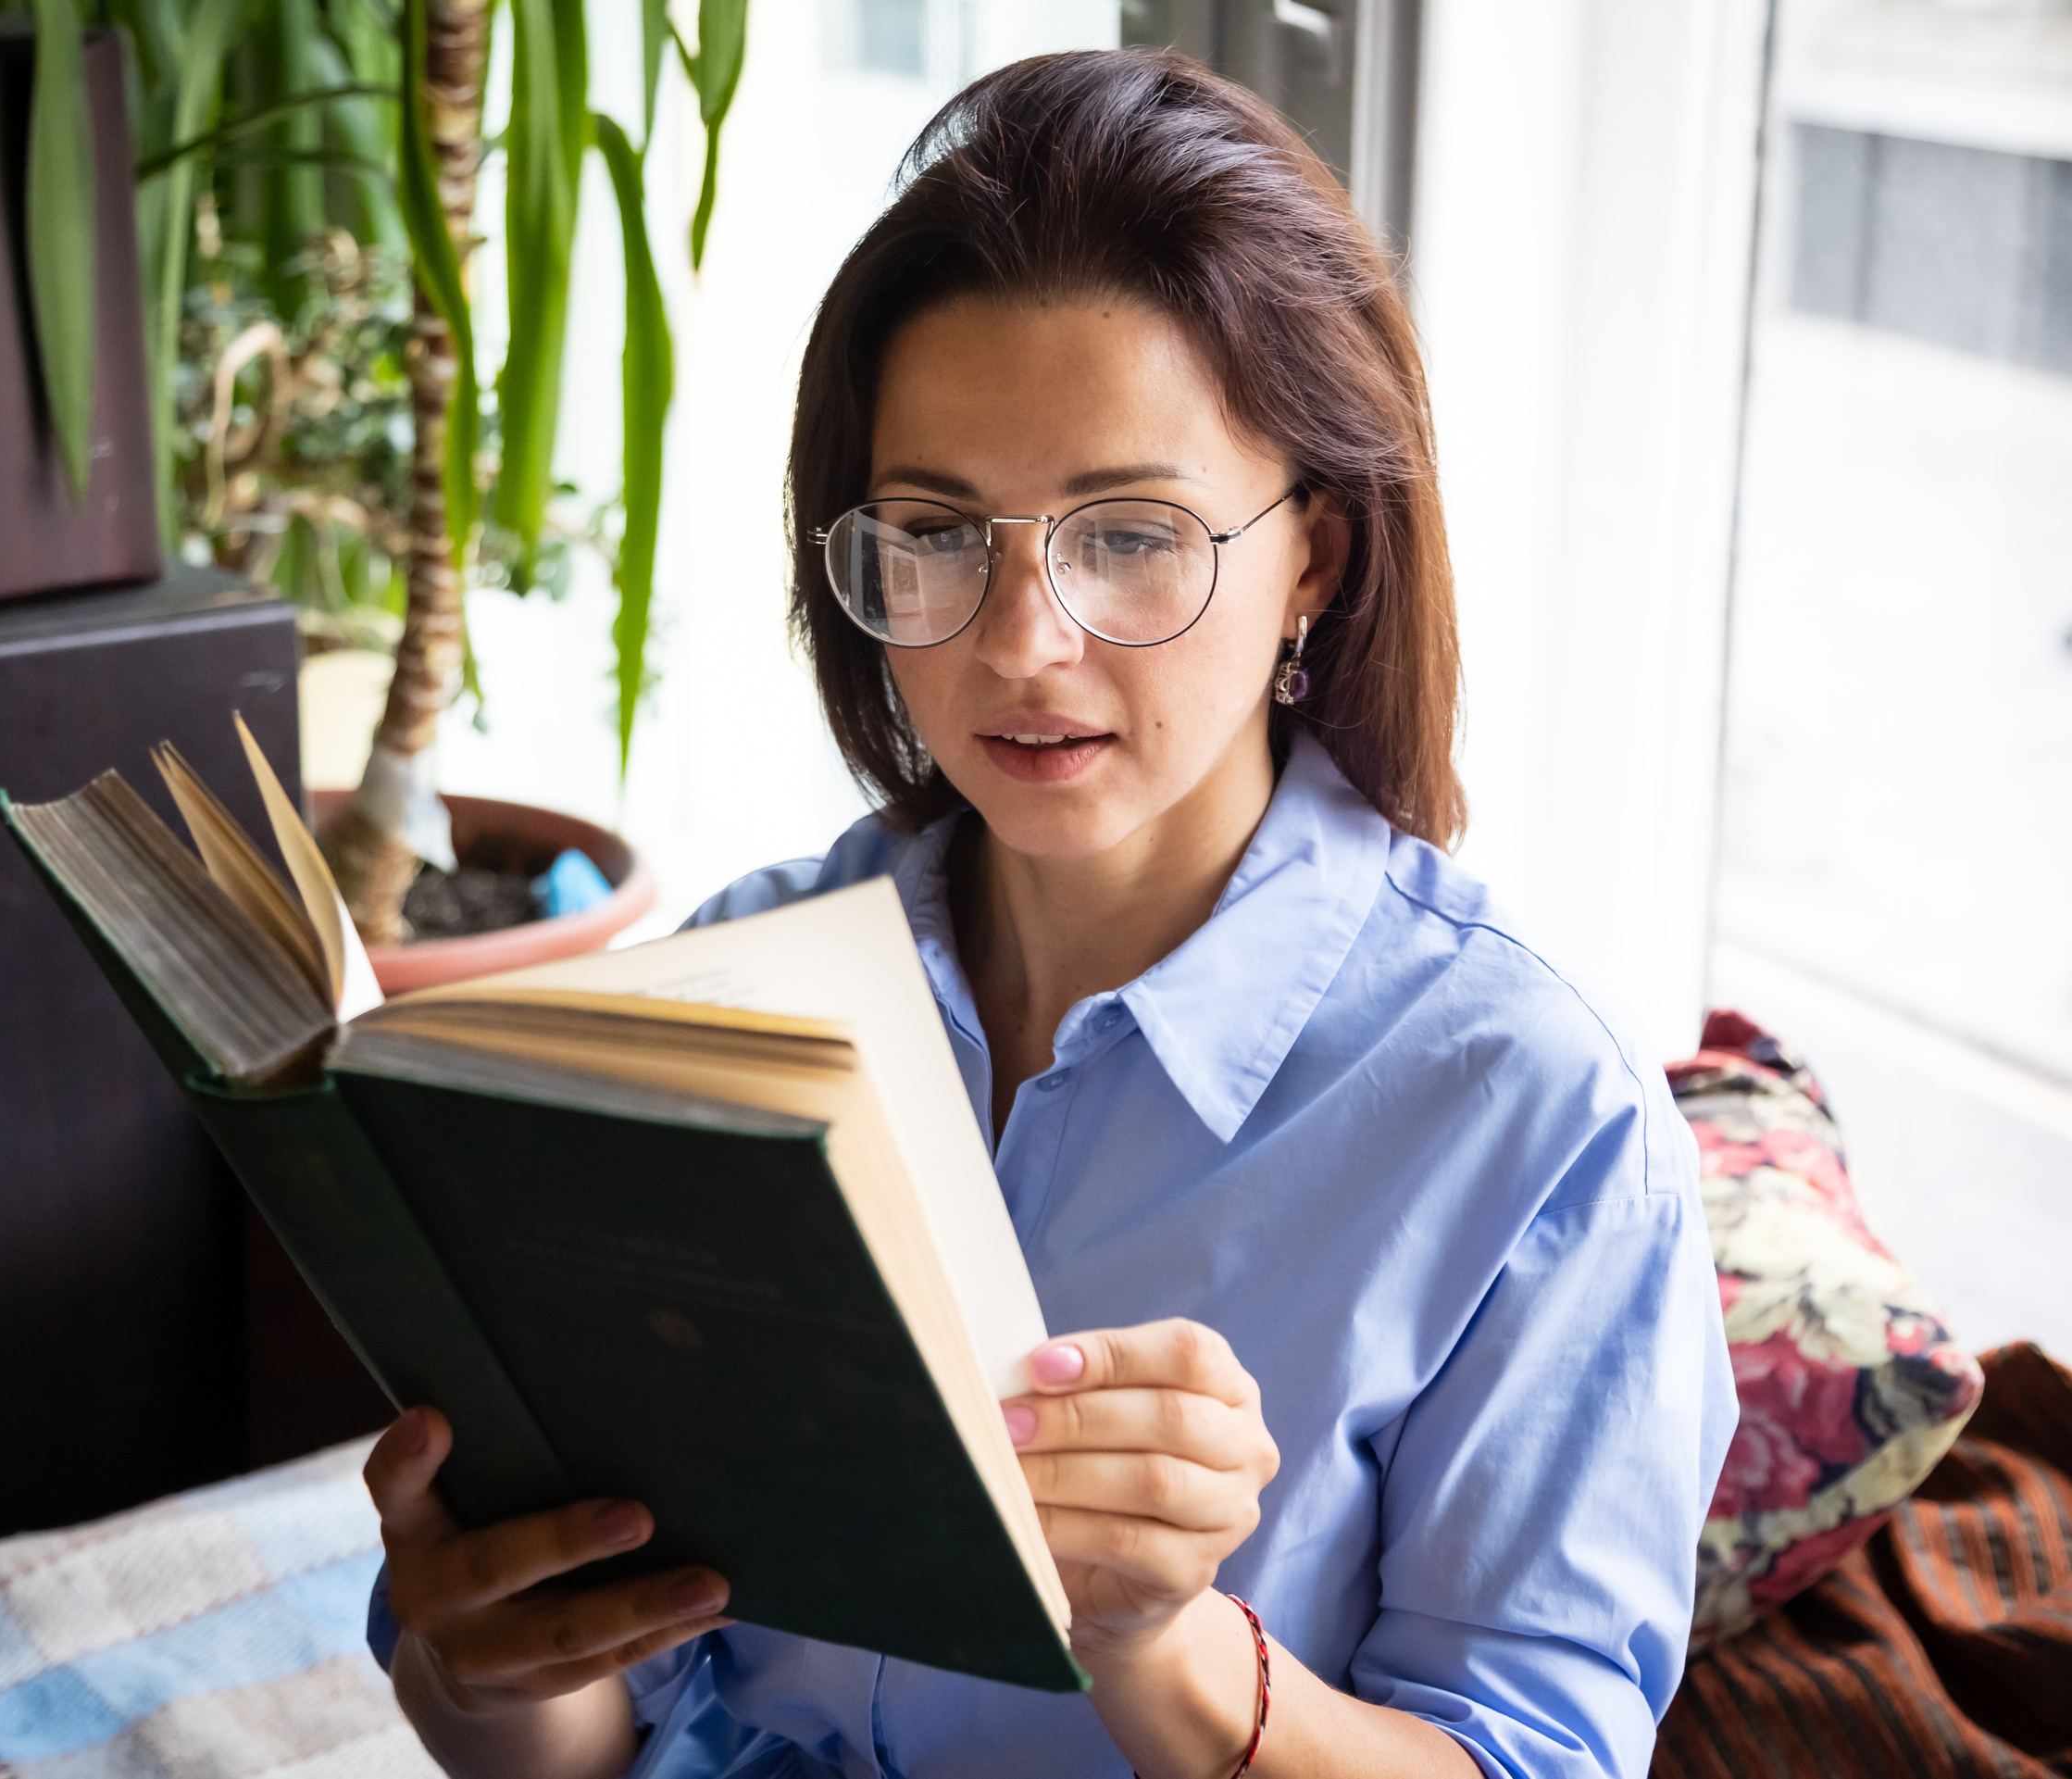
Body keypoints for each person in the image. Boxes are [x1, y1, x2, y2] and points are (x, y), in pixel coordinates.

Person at [360, 47, 1737, 1779]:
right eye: (936, 531)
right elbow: (608, 1731)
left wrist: (1162, 1649)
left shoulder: (1538, 1122)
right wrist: (492, 1654)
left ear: (1313, 551)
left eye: (1132, 536)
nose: (1018, 642)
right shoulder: (741, 981)